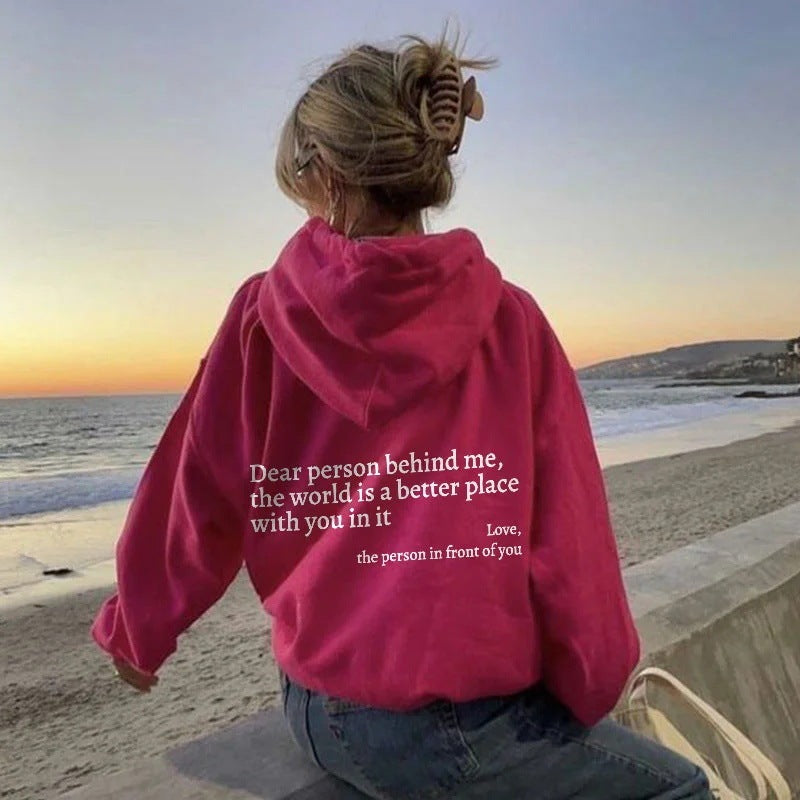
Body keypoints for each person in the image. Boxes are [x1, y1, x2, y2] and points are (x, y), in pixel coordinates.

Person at [92, 28, 713, 800]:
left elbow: (202, 491)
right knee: (681, 788)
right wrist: (593, 684)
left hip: (319, 711)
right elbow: (568, 532)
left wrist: (138, 628)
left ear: (323, 174)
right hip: (461, 726)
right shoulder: (510, 322)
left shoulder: (261, 316)